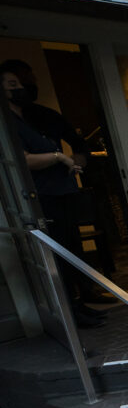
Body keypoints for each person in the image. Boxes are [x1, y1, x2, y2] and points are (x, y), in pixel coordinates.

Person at [2, 58, 105, 326]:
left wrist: (76, 161)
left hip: (63, 192)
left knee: (72, 248)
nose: (21, 87)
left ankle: (81, 303)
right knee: (56, 254)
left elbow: (78, 144)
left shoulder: (42, 116)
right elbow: (22, 159)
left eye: (23, 82)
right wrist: (58, 157)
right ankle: (68, 311)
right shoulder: (8, 124)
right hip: (41, 198)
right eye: (13, 84)